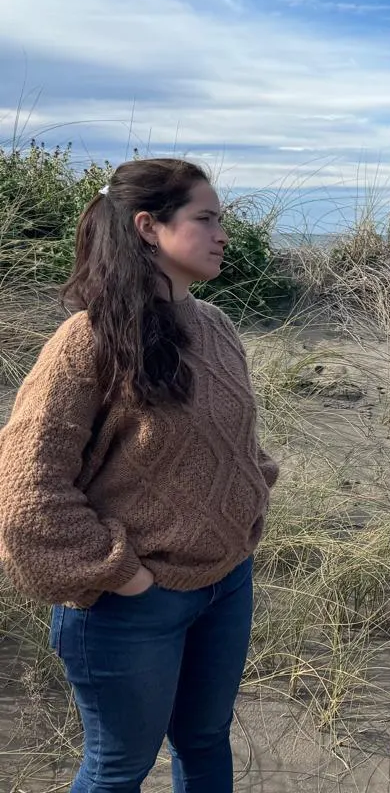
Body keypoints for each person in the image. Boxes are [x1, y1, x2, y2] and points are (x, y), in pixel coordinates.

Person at [0, 159, 278, 793]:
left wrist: (248, 502)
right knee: (118, 768)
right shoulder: (87, 340)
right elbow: (25, 491)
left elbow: (232, 444)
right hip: (131, 608)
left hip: (226, 584)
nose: (221, 234)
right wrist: (127, 577)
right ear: (149, 227)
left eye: (220, 220)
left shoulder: (215, 325)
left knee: (206, 741)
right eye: (205, 219)